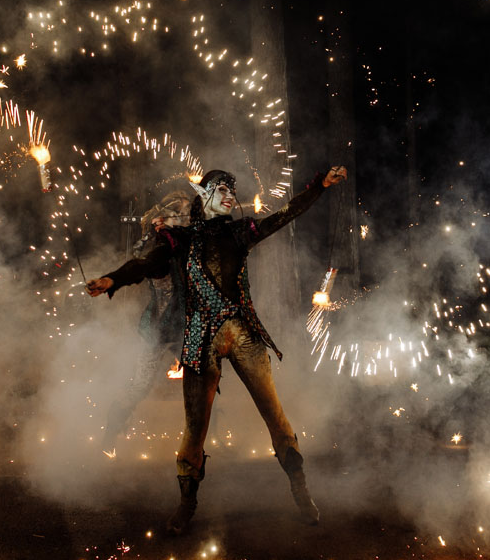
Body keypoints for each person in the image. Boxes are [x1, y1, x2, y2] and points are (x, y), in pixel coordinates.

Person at [88, 165, 348, 534]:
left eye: (232, 189)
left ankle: (301, 491)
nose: (229, 195)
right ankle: (186, 505)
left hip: (242, 333)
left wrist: (319, 184)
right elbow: (147, 264)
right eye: (221, 189)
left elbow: (286, 213)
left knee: (275, 416)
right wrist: (113, 278)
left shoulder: (242, 232)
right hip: (199, 338)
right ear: (203, 195)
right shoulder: (180, 239)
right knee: (195, 429)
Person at [102, 190, 192, 452]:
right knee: (139, 386)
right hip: (158, 330)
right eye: (182, 214)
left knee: (206, 381)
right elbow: (140, 266)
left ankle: (207, 439)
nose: (187, 218)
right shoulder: (159, 249)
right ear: (164, 220)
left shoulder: (187, 244)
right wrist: (114, 279)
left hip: (187, 328)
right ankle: (110, 435)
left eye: (187, 214)